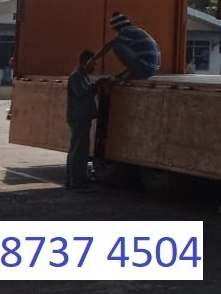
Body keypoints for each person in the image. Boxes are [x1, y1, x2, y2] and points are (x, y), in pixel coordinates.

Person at [66, 50, 100, 190]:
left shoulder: (83, 76)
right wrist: (96, 86)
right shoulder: (76, 76)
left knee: (80, 149)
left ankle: (75, 179)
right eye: (93, 63)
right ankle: (75, 182)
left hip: (83, 117)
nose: (94, 66)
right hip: (79, 117)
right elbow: (82, 93)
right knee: (78, 151)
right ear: (85, 62)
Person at [89, 12, 160, 81]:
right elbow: (135, 60)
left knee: (116, 44)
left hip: (144, 68)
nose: (117, 33)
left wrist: (93, 59)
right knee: (120, 45)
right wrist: (120, 76)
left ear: (118, 27)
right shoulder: (137, 31)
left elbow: (109, 45)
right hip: (151, 69)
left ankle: (134, 73)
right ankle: (131, 73)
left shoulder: (127, 31)